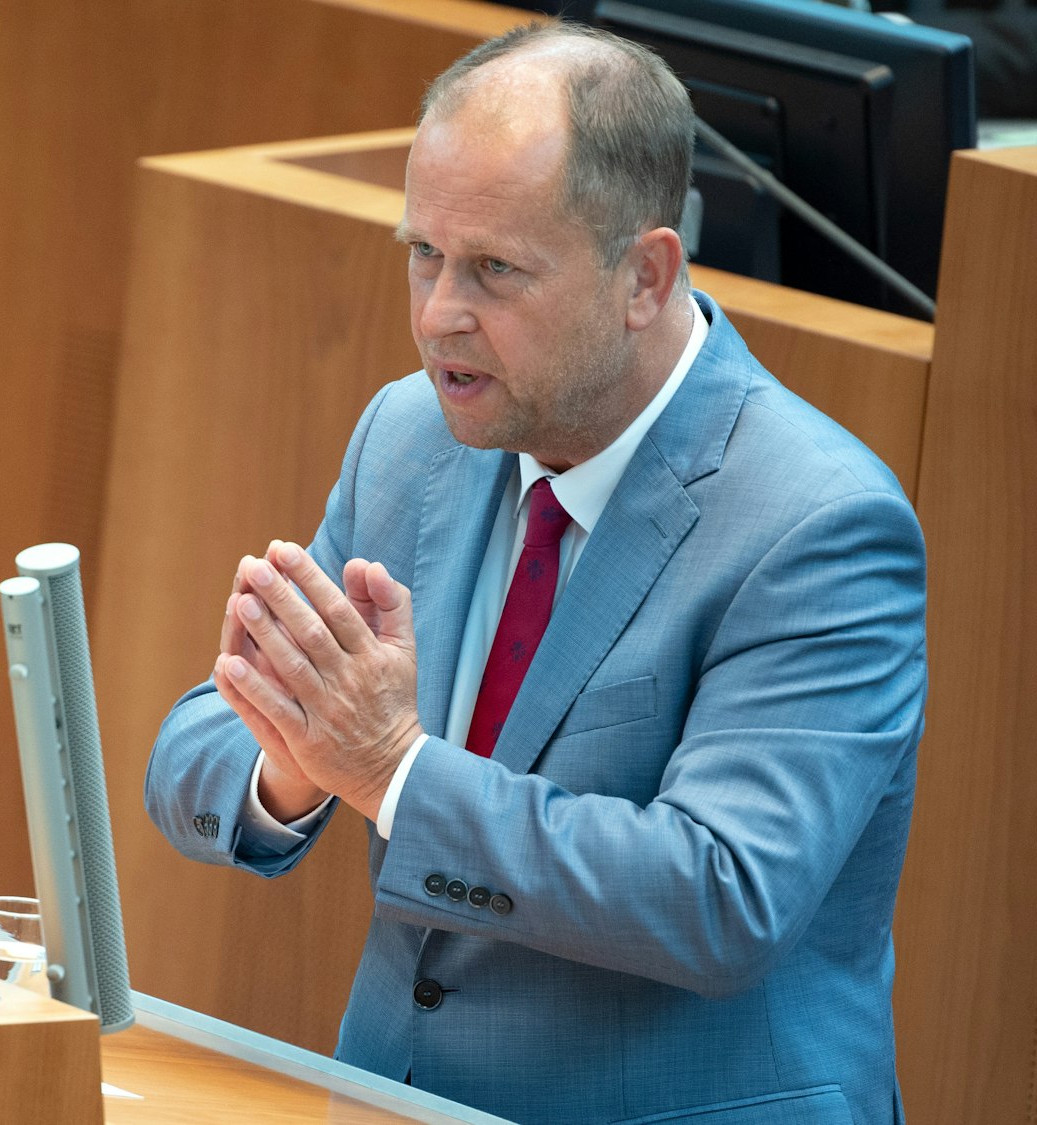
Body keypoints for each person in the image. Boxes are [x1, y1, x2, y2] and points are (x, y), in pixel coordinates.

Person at [143, 22, 926, 1125]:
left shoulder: (817, 522)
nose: (436, 315)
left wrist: (391, 771)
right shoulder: (411, 435)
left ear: (644, 276)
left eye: (495, 270)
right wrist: (295, 764)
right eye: (423, 252)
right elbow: (194, 756)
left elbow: (722, 897)